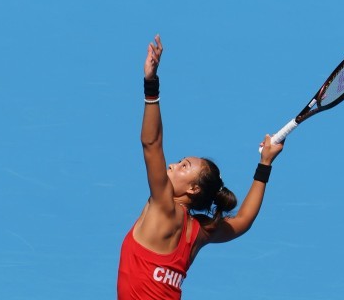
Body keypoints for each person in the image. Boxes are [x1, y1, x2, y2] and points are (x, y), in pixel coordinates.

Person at [117, 35, 284, 299]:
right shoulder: (199, 231)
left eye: (184, 166)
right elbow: (243, 221)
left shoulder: (164, 207)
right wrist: (265, 164)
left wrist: (151, 85)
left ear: (193, 189)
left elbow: (151, 143)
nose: (172, 165)